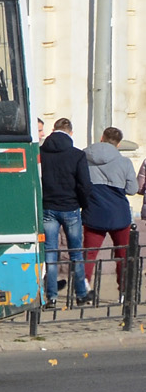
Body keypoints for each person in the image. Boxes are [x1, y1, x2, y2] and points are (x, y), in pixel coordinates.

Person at [82, 127, 137, 304]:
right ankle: (124, 293)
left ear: (101, 137)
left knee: (89, 255)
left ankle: (84, 292)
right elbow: (132, 189)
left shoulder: (84, 157)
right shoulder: (125, 162)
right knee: (123, 255)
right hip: (119, 215)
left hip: (94, 211)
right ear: (118, 143)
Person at [39, 118, 91, 307]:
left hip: (48, 208)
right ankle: (81, 295)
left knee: (50, 253)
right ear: (70, 132)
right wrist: (84, 206)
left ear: (54, 130)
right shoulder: (77, 155)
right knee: (76, 253)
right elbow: (85, 184)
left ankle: (51, 297)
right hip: (71, 208)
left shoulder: (41, 153)